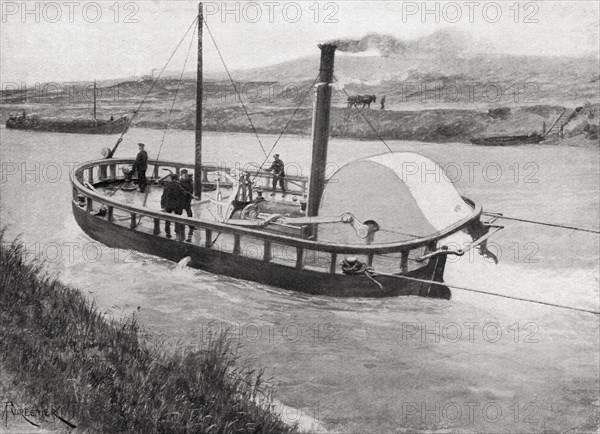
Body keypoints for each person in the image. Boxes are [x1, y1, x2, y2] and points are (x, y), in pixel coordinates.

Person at [161, 174, 184, 239]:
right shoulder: (179, 186)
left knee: (167, 219)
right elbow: (182, 196)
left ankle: (168, 233)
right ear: (177, 179)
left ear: (171, 179)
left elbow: (163, 196)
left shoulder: (167, 186)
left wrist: (162, 204)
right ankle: (177, 233)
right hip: (176, 205)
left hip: (168, 204)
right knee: (177, 219)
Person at [179, 169, 195, 242]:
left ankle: (191, 226)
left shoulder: (189, 182)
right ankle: (179, 226)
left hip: (187, 200)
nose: (185, 175)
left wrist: (190, 196)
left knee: (189, 213)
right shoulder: (180, 182)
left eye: (185, 174)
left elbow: (191, 190)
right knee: (179, 213)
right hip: (181, 200)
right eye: (183, 174)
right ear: (181, 175)